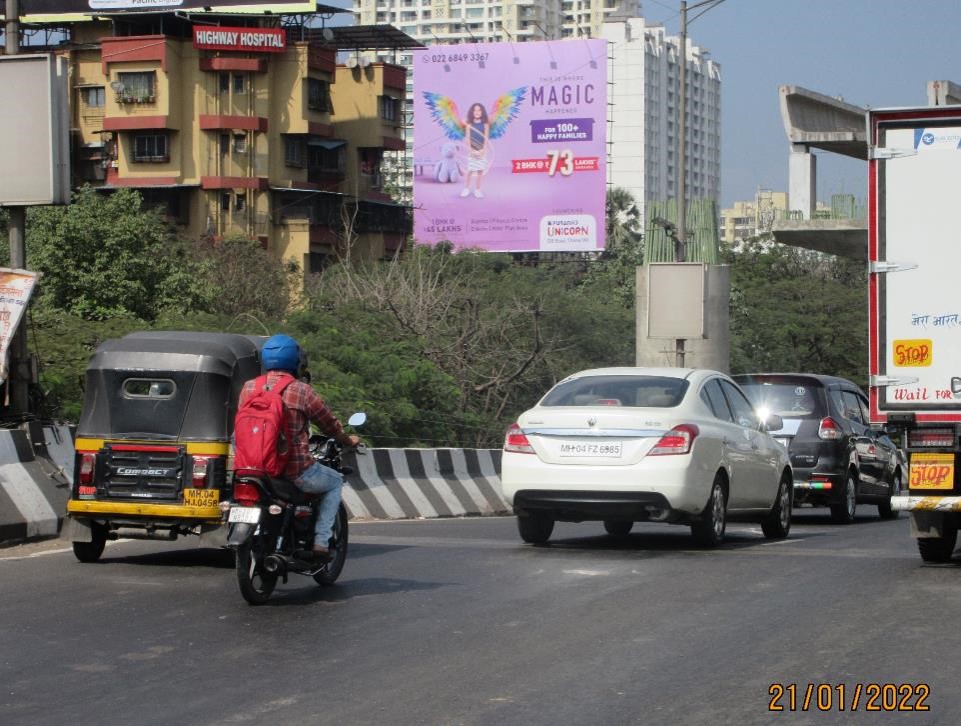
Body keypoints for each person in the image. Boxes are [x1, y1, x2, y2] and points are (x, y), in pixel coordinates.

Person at [238, 334, 360, 561]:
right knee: (334, 481)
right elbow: (329, 424)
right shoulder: (301, 390)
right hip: (292, 470)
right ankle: (321, 543)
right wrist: (347, 439)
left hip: (251, 469)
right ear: (296, 361)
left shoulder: (248, 387)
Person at [460, 102, 490, 199]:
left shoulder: (485, 124)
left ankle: (478, 189)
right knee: (470, 170)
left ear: (482, 112)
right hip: (472, 151)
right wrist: (470, 150)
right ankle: (466, 188)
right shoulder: (469, 124)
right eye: (475, 110)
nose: (477, 112)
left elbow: (486, 138)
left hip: (481, 150)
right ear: (472, 112)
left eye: (479, 110)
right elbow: (467, 138)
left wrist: (483, 150)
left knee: (480, 171)